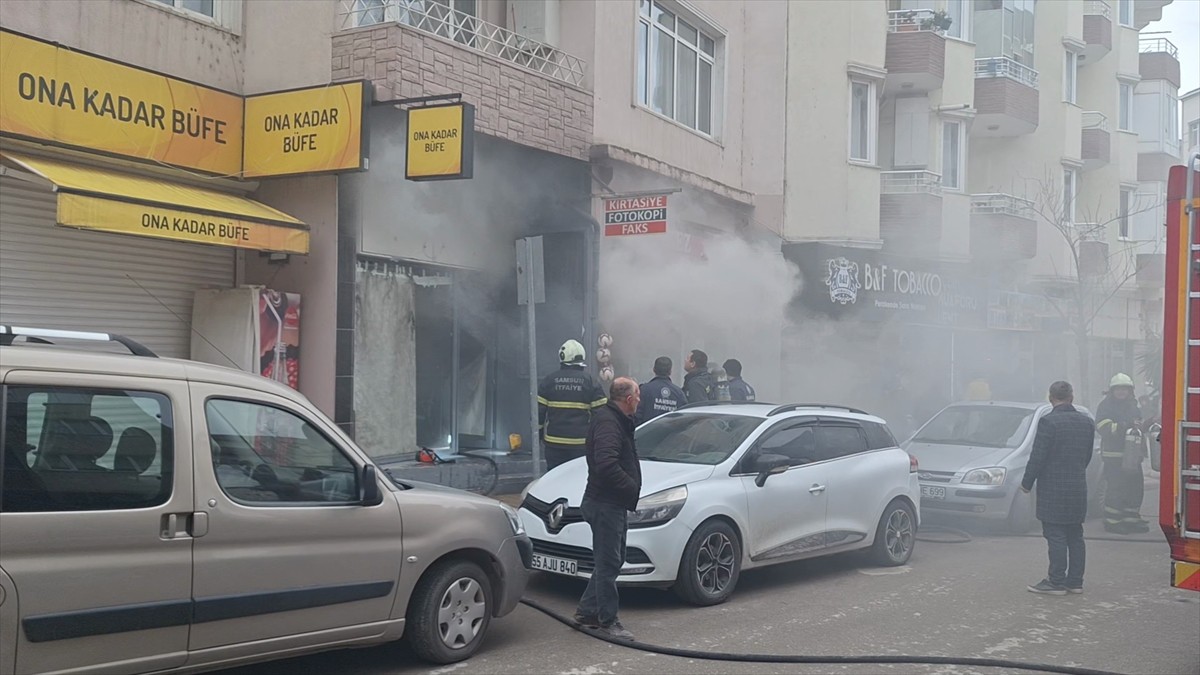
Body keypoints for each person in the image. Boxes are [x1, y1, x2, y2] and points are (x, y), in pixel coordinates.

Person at [574, 377, 642, 641]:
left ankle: (588, 611)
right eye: (638, 395)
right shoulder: (608, 422)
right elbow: (605, 464)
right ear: (628, 399)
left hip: (611, 503)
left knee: (613, 560)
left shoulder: (616, 420)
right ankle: (607, 621)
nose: (639, 400)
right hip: (605, 504)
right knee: (608, 562)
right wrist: (630, 487)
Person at [1021, 381, 1096, 595]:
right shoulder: (1087, 422)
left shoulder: (1048, 422)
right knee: (1075, 534)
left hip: (1053, 488)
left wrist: (1027, 483)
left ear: (1050, 398)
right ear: (1072, 397)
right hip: (1077, 486)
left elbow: (1038, 457)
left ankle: (1055, 582)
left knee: (1055, 534)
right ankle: (1075, 581)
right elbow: (1087, 455)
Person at [538, 339, 608, 471]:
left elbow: (538, 414)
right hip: (580, 445)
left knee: (554, 480)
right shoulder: (591, 382)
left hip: (554, 443)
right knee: (577, 480)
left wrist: (539, 435)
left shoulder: (548, 381)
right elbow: (601, 416)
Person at [1095, 373, 1149, 533]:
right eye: (1118, 389)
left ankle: (1131, 518)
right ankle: (1112, 521)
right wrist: (1125, 425)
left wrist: (1147, 424)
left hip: (1132, 456)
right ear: (1112, 391)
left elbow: (1137, 427)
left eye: (1124, 389)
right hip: (1114, 457)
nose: (1121, 392)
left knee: (1134, 488)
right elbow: (1103, 427)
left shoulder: (1133, 405)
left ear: (1130, 390)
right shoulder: (1106, 406)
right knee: (1116, 489)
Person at [635, 356, 687, 425]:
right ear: (670, 371)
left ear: (654, 369)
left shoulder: (644, 390)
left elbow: (637, 415)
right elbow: (683, 419)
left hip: (647, 434)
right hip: (670, 434)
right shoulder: (679, 393)